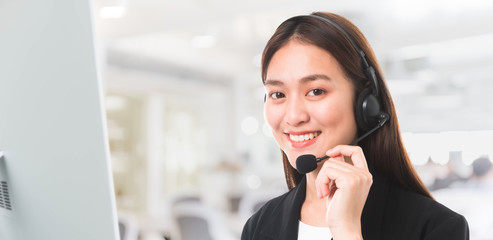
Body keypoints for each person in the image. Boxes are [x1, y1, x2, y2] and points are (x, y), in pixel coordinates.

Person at [241, 12, 469, 240]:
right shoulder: (258, 225)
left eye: (316, 91)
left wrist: (347, 231)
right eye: (278, 94)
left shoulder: (437, 228)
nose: (293, 116)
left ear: (366, 102)